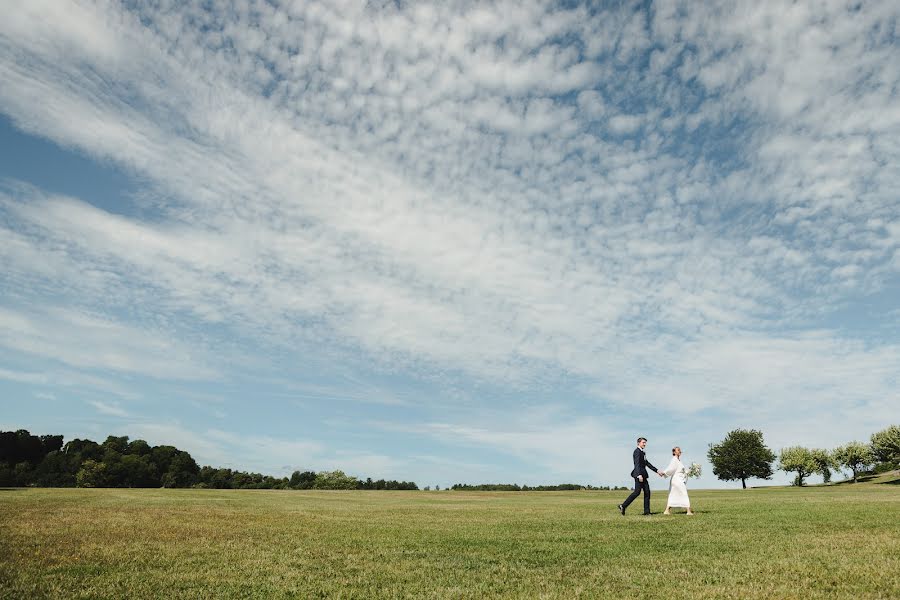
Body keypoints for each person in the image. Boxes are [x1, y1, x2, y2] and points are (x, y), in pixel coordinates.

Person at [618, 437, 664, 515]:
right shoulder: (637, 452)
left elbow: (647, 463)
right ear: (638, 443)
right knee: (637, 492)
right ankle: (623, 506)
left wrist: (657, 471)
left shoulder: (643, 452)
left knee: (647, 492)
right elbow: (637, 464)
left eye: (645, 443)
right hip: (638, 475)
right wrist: (639, 475)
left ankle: (646, 512)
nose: (645, 444)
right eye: (643, 442)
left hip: (644, 475)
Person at [662, 446, 694, 515]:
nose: (679, 451)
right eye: (678, 450)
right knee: (684, 493)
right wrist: (664, 473)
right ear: (674, 452)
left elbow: (681, 470)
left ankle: (666, 510)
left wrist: (689, 471)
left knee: (673, 494)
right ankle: (688, 511)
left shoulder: (678, 460)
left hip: (679, 479)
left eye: (680, 450)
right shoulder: (674, 460)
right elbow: (671, 468)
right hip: (677, 480)